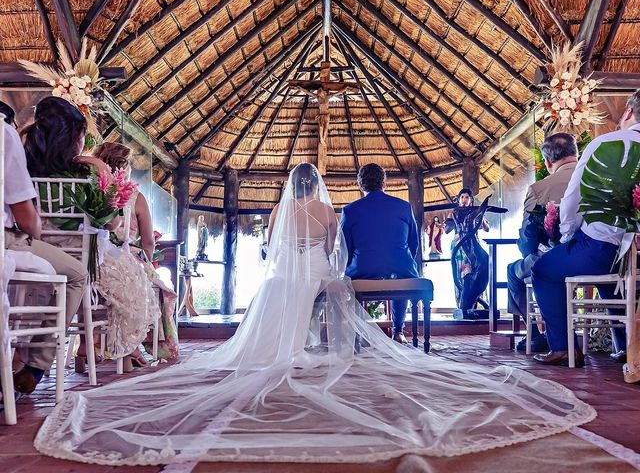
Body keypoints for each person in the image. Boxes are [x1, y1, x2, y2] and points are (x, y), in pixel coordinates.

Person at [34, 162, 595, 466]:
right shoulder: (336, 209)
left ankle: (291, 346)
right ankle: (332, 344)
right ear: (320, 187)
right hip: (321, 274)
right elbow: (336, 256)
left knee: (293, 293)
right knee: (333, 289)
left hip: (283, 281)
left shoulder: (291, 213)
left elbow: (280, 252)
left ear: (288, 188)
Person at [23, 97, 159, 371]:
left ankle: (76, 350)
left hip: (34, 251)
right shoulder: (84, 177)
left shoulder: (27, 169)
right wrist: (100, 168)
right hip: (82, 260)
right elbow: (110, 225)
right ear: (71, 138)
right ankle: (124, 350)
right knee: (130, 283)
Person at [531, 89, 640, 367]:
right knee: (614, 276)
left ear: (628, 112)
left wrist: (567, 236)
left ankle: (565, 347)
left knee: (543, 270)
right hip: (634, 253)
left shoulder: (606, 144)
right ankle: (628, 347)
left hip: (602, 248)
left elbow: (572, 201)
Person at [1, 99, 89, 395]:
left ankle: (22, 357)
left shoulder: (24, 147)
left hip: (28, 247)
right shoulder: (5, 136)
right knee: (77, 274)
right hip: (17, 239)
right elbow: (28, 222)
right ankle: (36, 366)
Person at [92, 142, 179, 360]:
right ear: (125, 167)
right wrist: (148, 261)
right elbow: (148, 241)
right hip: (123, 258)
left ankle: (90, 342)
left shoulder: (89, 189)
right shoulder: (135, 197)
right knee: (161, 289)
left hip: (89, 257)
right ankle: (133, 346)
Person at [508, 133, 578, 352]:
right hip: (603, 257)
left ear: (548, 162)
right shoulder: (596, 177)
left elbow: (528, 237)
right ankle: (622, 341)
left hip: (555, 258)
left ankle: (537, 335)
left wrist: (528, 249)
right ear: (576, 153)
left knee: (514, 272)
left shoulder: (539, 189)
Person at [340, 163, 419, 344]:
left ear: (361, 186)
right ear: (384, 183)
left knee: (348, 281)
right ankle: (398, 331)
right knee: (402, 272)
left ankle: (358, 331)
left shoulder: (350, 210)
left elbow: (346, 248)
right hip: (401, 268)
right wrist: (400, 262)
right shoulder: (404, 207)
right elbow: (414, 244)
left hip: (362, 269)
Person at [445, 188, 490, 318]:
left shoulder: (475, 212)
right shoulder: (454, 212)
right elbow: (447, 230)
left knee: (475, 272)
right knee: (461, 275)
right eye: (462, 197)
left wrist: (480, 216)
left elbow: (487, 228)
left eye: (467, 197)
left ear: (470, 200)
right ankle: (463, 305)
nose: (464, 199)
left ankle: (476, 305)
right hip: (458, 247)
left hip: (473, 246)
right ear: (458, 199)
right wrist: (452, 219)